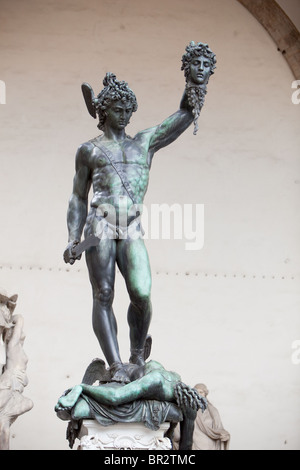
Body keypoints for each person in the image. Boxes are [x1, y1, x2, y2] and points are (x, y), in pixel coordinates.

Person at [63, 44, 216, 384]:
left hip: (131, 225)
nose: (122, 114)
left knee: (142, 293)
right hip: (97, 226)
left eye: (126, 109)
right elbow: (77, 196)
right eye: (115, 109)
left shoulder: (144, 142)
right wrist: (74, 237)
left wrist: (196, 81)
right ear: (103, 112)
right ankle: (115, 363)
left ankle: (135, 356)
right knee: (103, 293)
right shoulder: (89, 150)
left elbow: (182, 117)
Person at [55, 360, 207, 450]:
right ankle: (80, 388)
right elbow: (115, 397)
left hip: (144, 375)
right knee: (111, 399)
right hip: (127, 378)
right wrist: (82, 388)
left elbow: (187, 443)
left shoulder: (183, 393)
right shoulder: (156, 382)